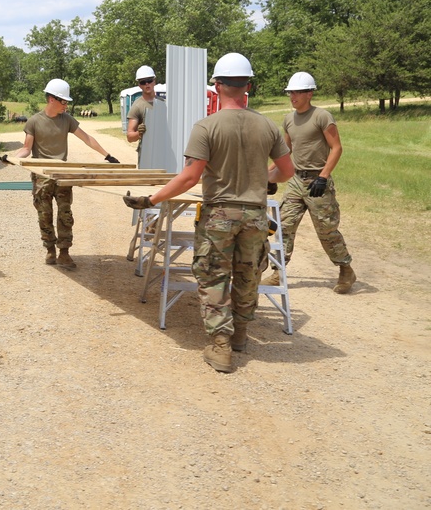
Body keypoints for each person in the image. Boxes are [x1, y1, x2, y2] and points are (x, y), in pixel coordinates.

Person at [122, 53, 294, 373]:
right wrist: (264, 180)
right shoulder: (268, 126)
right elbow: (285, 171)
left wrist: (152, 199)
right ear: (249, 86)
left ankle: (221, 346)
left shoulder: (206, 127)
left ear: (216, 86)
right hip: (255, 217)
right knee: (248, 275)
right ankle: (240, 335)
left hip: (220, 216)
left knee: (214, 277)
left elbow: (189, 177)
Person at [4, 78, 120, 269]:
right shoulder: (34, 121)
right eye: (64, 102)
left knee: (65, 213)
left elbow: (86, 138)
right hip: (41, 174)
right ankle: (50, 249)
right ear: (51, 99)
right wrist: (11, 158)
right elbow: (26, 148)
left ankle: (64, 252)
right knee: (44, 213)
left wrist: (107, 155)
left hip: (63, 174)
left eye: (67, 102)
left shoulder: (67, 120)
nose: (66, 105)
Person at [261, 72, 356, 293]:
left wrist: (323, 176)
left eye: (296, 92)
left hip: (317, 181)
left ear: (309, 93)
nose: (292, 96)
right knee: (283, 227)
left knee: (326, 229)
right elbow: (285, 152)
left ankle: (346, 270)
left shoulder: (322, 116)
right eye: (290, 92)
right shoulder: (288, 119)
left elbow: (337, 148)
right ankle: (278, 273)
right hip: (296, 180)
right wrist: (266, 173)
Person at [126, 65, 160, 161]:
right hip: (147, 154)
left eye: (149, 80)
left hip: (164, 151)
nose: (147, 84)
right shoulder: (137, 106)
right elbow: (130, 137)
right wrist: (139, 133)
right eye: (143, 82)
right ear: (139, 85)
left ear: (154, 81)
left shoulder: (163, 104)